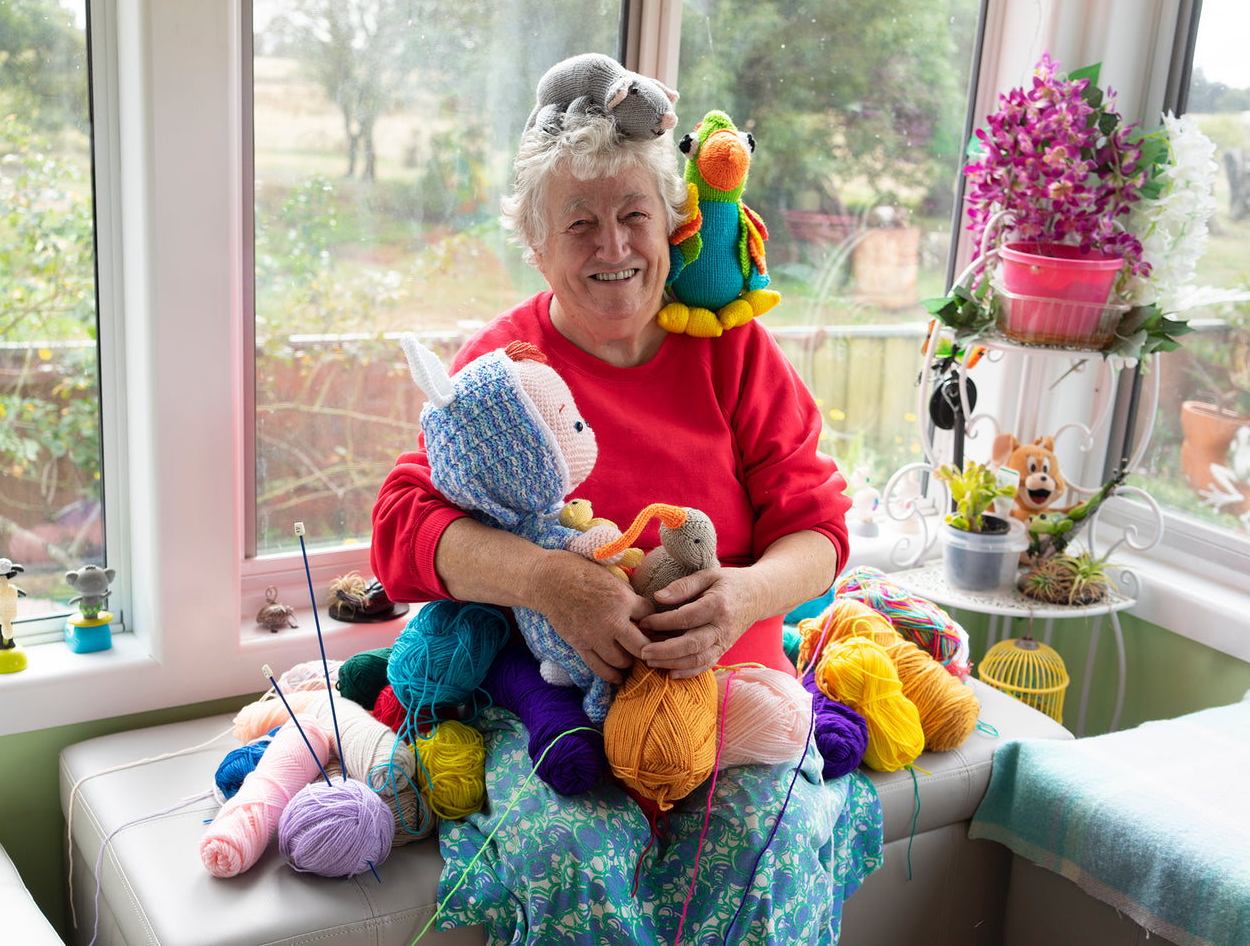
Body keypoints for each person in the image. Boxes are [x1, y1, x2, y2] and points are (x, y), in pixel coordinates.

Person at [371, 89, 879, 944]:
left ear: (673, 223)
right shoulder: (502, 367)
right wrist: (547, 581)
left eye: (633, 214)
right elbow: (399, 527)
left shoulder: (733, 347)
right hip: (561, 699)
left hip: (731, 687)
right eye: (578, 224)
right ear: (536, 245)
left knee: (771, 851)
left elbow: (819, 528)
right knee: (571, 854)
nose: (612, 246)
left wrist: (745, 595)